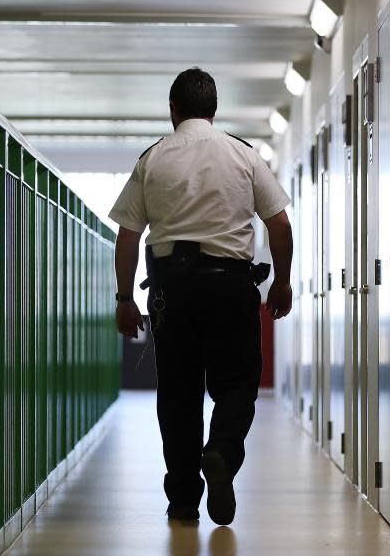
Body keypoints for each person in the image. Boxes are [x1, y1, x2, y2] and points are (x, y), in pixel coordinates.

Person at [108, 67, 294, 526]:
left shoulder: (152, 158)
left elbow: (129, 234)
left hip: (171, 288)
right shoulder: (244, 155)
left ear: (173, 110)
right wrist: (282, 282)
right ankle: (222, 452)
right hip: (230, 284)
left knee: (177, 394)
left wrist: (125, 298)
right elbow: (280, 224)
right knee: (237, 383)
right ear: (213, 110)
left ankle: (184, 501)